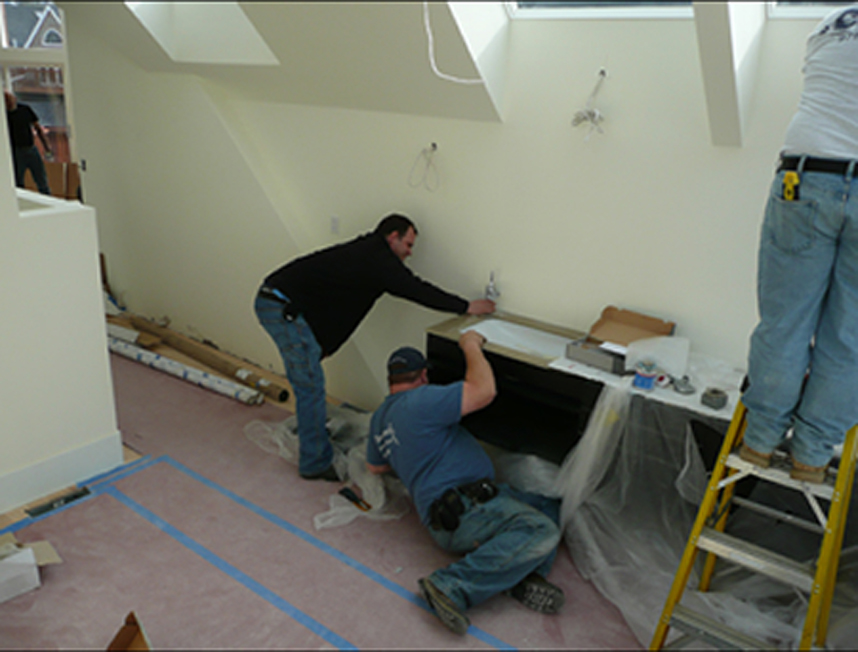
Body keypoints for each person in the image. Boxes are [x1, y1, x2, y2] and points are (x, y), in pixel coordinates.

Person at [255, 213, 496, 481]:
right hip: (280, 306)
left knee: (309, 379)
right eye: (408, 244)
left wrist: (322, 346)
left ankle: (312, 435)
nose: (410, 252)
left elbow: (335, 301)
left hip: (282, 304)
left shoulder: (368, 253)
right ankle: (314, 462)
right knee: (310, 385)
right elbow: (417, 289)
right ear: (393, 237)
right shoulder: (378, 259)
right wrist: (466, 306)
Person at [366, 331, 564, 635]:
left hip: (465, 506)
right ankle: (449, 585)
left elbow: (375, 466)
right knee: (542, 529)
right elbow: (484, 390)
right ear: (424, 375)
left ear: (391, 379)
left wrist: (411, 454)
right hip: (465, 512)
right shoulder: (421, 399)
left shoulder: (380, 418)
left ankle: (522, 576)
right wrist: (470, 344)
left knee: (550, 504)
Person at [740, 5, 858, 484]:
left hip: (805, 179)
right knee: (850, 336)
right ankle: (812, 455)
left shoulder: (830, 23)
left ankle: (760, 439)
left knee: (785, 323)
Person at [4, 91, 52, 195]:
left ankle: (47, 196)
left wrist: (47, 146)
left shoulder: (25, 109)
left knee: (41, 178)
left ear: (14, 99)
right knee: (18, 182)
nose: (9, 103)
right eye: (6, 101)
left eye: (10, 100)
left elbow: (38, 128)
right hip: (15, 151)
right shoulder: (4, 115)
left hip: (31, 148)